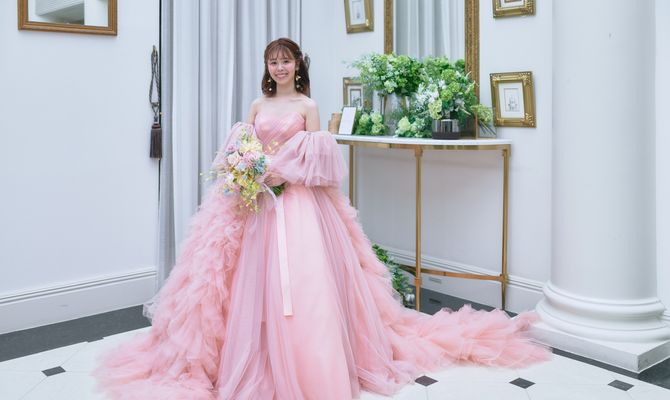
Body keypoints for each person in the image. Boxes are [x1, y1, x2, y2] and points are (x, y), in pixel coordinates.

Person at [95, 37, 549, 400]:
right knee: (234, 281)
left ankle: (308, 361)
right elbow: (240, 150)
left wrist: (281, 173)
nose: (279, 67)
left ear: (298, 65)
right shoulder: (256, 105)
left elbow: (318, 162)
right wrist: (248, 171)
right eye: (273, 61)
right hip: (253, 202)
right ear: (267, 67)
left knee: (303, 284)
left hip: (296, 203)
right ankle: (239, 354)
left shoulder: (307, 107)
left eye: (286, 61)